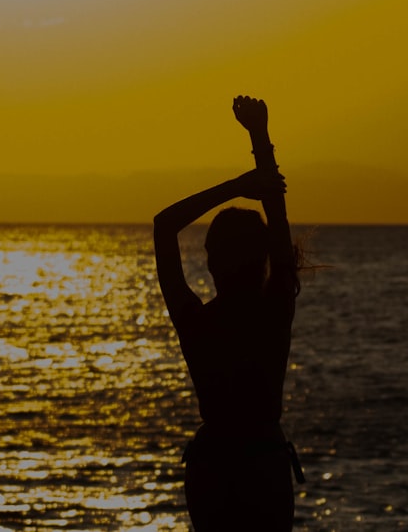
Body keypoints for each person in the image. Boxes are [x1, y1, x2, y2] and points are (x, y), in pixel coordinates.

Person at [153, 95, 304, 531]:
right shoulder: (275, 308)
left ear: (213, 262)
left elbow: (164, 226)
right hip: (263, 467)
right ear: (263, 260)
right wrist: (260, 136)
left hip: (214, 468)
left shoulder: (198, 323)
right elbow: (277, 211)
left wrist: (237, 186)